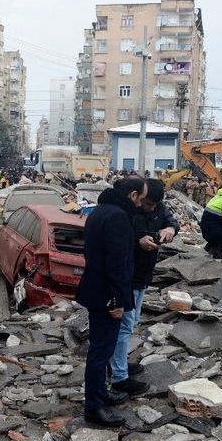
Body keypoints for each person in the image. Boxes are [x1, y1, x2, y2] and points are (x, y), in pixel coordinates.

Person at [76, 177, 147, 427]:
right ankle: (94, 408)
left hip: (95, 290)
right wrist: (117, 300)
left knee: (101, 349)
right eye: (140, 199)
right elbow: (117, 264)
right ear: (132, 196)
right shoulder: (118, 217)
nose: (140, 204)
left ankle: (101, 393)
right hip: (107, 295)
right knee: (100, 352)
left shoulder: (100, 211)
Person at [109, 178, 178, 397]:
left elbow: (172, 221)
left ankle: (118, 364)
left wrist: (169, 229)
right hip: (127, 276)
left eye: (153, 205)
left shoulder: (158, 208)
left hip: (143, 275)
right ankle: (119, 376)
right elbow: (119, 242)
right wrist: (139, 242)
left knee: (131, 323)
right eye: (146, 203)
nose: (148, 208)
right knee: (125, 325)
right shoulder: (127, 212)